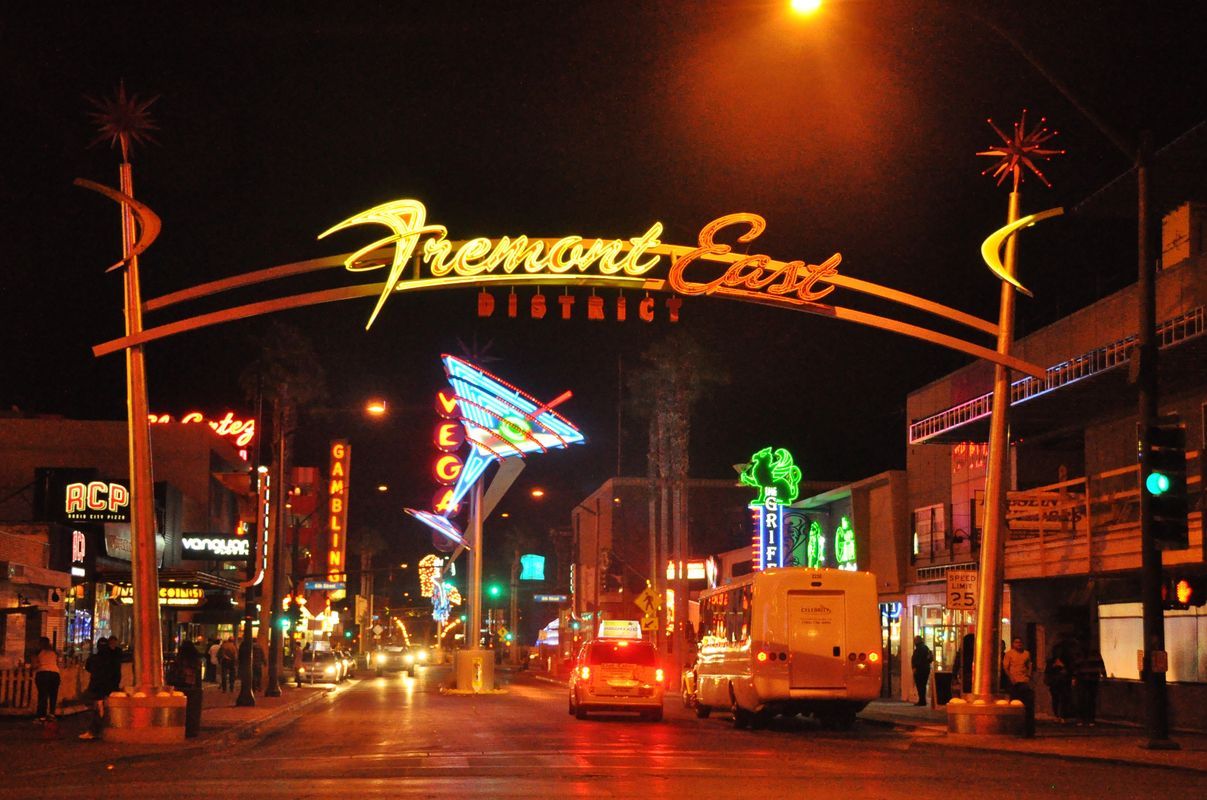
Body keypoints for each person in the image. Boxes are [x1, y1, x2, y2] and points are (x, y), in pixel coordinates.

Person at [79, 637, 117, 740]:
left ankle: (94, 731)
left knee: (96, 709)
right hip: (108, 686)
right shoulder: (111, 658)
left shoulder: (94, 658)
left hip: (96, 686)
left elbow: (88, 667)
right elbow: (115, 671)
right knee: (102, 708)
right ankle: (100, 729)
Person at [1002, 636, 1035, 737]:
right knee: (1015, 704)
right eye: (1016, 642)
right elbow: (1006, 667)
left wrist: (1029, 675)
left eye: (1020, 642)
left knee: (1027, 704)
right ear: (1013, 644)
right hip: (1014, 682)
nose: (1019, 644)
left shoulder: (1026, 653)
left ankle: (1028, 730)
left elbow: (1029, 664)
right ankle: (1016, 729)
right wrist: (1011, 678)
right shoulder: (1009, 654)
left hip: (1024, 681)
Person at [1073, 645, 1106, 726]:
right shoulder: (1093, 654)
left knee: (1084, 699)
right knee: (1088, 699)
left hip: (1085, 679)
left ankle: (1084, 719)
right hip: (1090, 678)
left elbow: (1076, 667)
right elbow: (1101, 665)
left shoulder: (1080, 654)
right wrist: (1104, 675)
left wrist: (1074, 677)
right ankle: (1089, 719)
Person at [1045, 636, 1074, 723]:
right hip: (1054, 682)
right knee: (1055, 698)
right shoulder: (1051, 661)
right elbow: (1047, 671)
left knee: (1064, 698)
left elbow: (1070, 670)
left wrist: (1063, 666)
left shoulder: (1067, 660)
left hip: (1064, 682)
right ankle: (1057, 715)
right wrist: (1054, 666)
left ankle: (1063, 715)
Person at [33, 636, 61, 724]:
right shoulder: (54, 652)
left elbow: (34, 665)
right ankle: (52, 715)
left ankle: (42, 717)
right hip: (55, 674)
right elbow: (58, 663)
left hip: (43, 673)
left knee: (43, 695)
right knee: (53, 695)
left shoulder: (38, 652)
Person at [910, 635, 933, 706]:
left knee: (920, 685)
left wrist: (915, 667)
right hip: (926, 669)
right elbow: (930, 658)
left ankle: (922, 700)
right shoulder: (926, 648)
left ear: (917, 641)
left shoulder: (919, 649)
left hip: (920, 670)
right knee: (923, 685)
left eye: (915, 640)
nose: (914, 642)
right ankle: (922, 700)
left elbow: (917, 660)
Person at [952, 629, 975, 697]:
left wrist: (954, 676)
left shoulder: (962, 652)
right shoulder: (976, 653)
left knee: (966, 693)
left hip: (966, 675)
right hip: (971, 675)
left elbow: (956, 664)